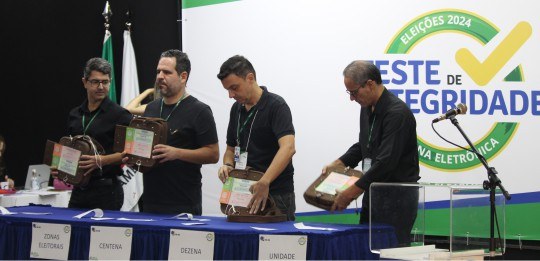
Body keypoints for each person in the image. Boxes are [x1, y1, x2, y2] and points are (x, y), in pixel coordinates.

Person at [324, 60, 420, 246]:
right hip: (373, 192)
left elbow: (386, 162)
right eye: (349, 93)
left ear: (370, 84)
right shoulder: (366, 108)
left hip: (397, 198)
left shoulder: (397, 113)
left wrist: (352, 191)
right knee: (367, 250)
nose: (351, 98)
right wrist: (341, 162)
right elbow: (365, 145)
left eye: (354, 92)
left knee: (392, 253)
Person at [138, 49, 219, 215]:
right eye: (158, 71)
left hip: (183, 204)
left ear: (183, 77)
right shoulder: (152, 107)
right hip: (150, 202)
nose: (160, 76)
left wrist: (177, 153)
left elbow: (213, 154)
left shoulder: (200, 111)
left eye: (167, 72)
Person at [217, 55, 297, 221]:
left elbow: (288, 148)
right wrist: (227, 164)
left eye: (234, 88)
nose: (231, 95)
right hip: (243, 191)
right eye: (227, 90)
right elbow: (231, 149)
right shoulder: (236, 109)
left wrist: (264, 181)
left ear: (250, 78)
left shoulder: (276, 106)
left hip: (275, 193)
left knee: (278, 245)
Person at [53, 57, 133, 210]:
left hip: (107, 190)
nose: (101, 87)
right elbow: (68, 149)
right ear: (84, 82)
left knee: (103, 234)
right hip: (78, 190)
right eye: (95, 82)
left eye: (105, 82)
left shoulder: (120, 115)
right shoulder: (75, 114)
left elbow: (133, 154)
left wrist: (102, 160)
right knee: (74, 232)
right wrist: (59, 167)